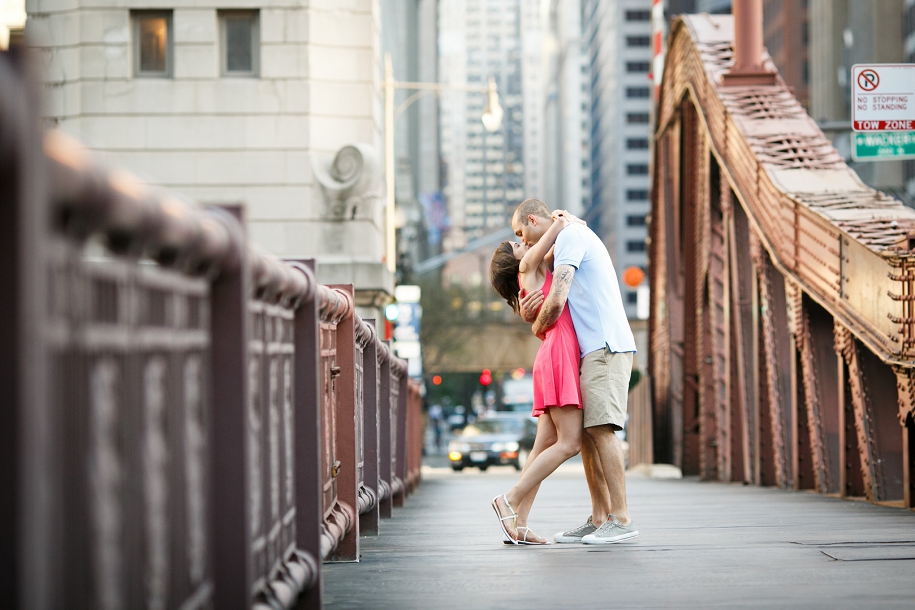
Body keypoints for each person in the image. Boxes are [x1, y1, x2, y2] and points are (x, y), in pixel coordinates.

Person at [514, 198, 638, 545]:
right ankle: (600, 517)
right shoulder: (563, 238)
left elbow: (556, 300)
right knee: (585, 434)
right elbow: (539, 273)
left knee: (601, 429)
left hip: (606, 345)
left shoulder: (570, 238)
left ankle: (622, 518)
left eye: (522, 232)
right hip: (589, 350)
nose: (523, 241)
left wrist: (535, 325)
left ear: (535, 219)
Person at [488, 212, 583, 545]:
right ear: (513, 262)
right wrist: (561, 221)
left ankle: (521, 523)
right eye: (516, 243)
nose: (522, 242)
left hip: (554, 354)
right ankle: (509, 500)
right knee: (570, 443)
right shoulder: (528, 266)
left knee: (542, 445)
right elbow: (552, 234)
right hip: (558, 354)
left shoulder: (533, 269)